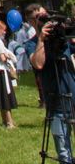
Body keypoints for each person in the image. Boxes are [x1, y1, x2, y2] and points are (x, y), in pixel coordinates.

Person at [33, 17, 75, 164]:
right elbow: (38, 64)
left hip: (73, 99)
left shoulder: (65, 42)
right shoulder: (35, 43)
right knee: (63, 152)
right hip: (56, 104)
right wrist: (41, 40)